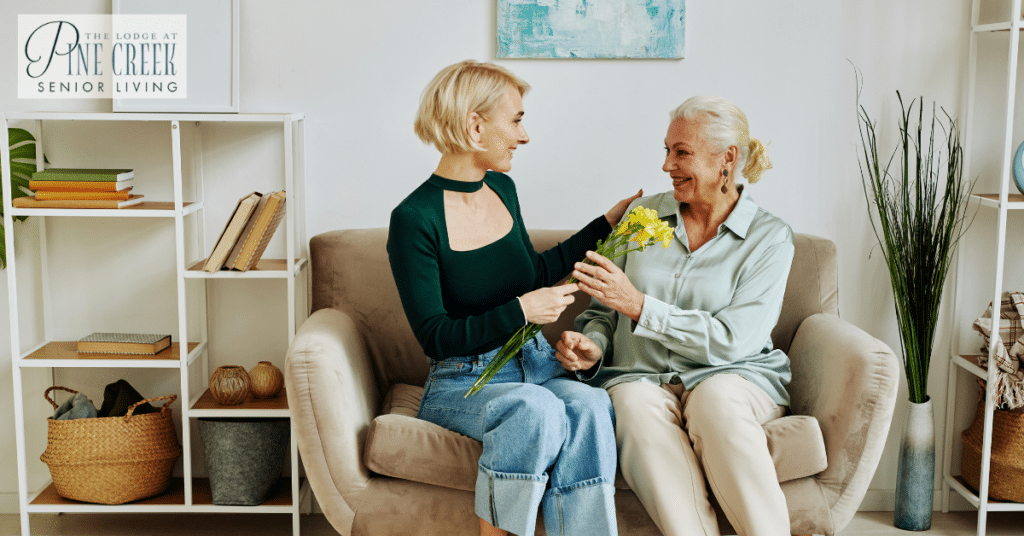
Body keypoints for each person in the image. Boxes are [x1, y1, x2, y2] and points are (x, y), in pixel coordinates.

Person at [387, 60, 639, 536]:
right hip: (465, 380)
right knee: (534, 408)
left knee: (588, 406)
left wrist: (606, 223)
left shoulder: (502, 188)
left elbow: (535, 270)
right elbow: (435, 336)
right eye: (517, 120)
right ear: (475, 125)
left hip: (536, 364)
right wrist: (521, 310)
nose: (524, 137)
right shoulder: (414, 219)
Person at [555, 95, 795, 536]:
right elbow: (602, 312)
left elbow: (734, 340)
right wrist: (593, 348)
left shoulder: (769, 238)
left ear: (727, 159)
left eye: (681, 152)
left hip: (735, 375)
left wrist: (641, 307)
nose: (667, 165)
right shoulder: (642, 217)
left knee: (715, 400)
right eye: (666, 151)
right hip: (642, 376)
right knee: (630, 401)